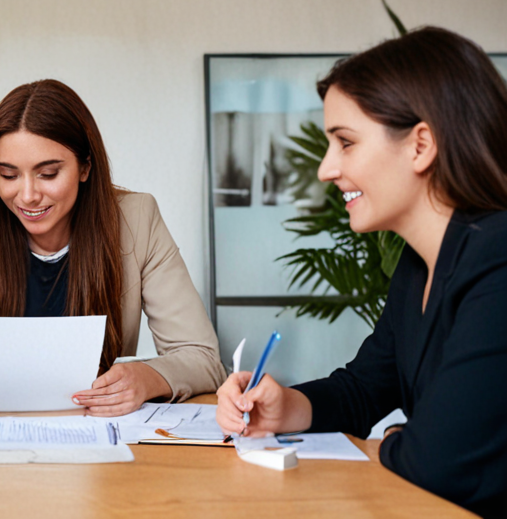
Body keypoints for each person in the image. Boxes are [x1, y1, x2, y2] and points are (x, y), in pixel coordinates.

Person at [215, 27, 507, 517]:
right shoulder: (417, 266)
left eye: (345, 143)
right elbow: (363, 389)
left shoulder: (498, 259)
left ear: (420, 145)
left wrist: (398, 438)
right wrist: (286, 406)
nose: (326, 169)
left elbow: (438, 463)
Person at [0, 79, 225, 417]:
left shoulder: (137, 220)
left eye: (48, 173)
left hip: (98, 437)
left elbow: (201, 357)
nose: (26, 195)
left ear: (85, 166)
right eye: (9, 176)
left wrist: (148, 379)